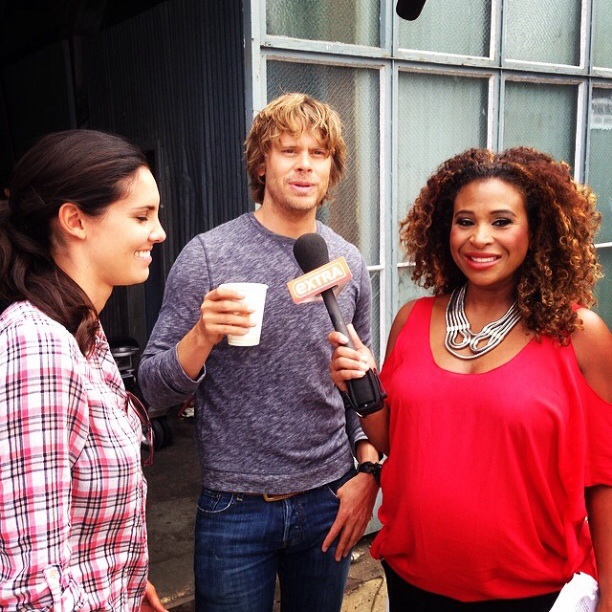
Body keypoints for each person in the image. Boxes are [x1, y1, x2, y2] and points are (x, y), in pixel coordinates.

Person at [329, 147, 612, 611]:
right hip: (412, 579)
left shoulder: (579, 335)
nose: (480, 238)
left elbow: (605, 479)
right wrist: (363, 389)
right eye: (465, 221)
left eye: (502, 221)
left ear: (536, 230)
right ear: (446, 228)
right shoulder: (412, 319)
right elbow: (395, 442)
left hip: (530, 592)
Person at [138, 92, 381, 612]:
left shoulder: (347, 261)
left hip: (329, 497)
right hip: (235, 508)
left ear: (331, 169)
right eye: (289, 150)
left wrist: (367, 472)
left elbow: (362, 386)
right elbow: (152, 391)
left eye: (318, 153)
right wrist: (201, 336)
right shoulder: (208, 255)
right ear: (261, 163)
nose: (304, 164)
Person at [0, 129, 168, 611]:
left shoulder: (84, 332)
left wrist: (125, 584)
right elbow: (33, 588)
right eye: (142, 216)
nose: (159, 232)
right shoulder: (38, 344)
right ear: (74, 220)